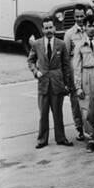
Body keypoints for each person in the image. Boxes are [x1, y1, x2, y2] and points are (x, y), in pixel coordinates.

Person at [27, 17, 74, 149]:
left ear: (54, 28)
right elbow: (30, 61)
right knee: (43, 114)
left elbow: (65, 66)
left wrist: (66, 83)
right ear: (42, 29)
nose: (48, 30)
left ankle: (61, 138)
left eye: (50, 28)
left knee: (58, 112)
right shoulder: (36, 44)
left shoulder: (61, 44)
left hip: (57, 83)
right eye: (46, 28)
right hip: (43, 83)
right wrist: (36, 71)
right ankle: (42, 139)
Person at [73, 15, 94, 153]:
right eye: (89, 26)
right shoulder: (80, 45)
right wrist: (78, 86)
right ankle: (91, 139)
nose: (92, 28)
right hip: (86, 76)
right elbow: (76, 67)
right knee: (87, 111)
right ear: (85, 27)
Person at [62, 5, 87, 141]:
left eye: (81, 16)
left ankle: (90, 127)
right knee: (75, 100)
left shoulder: (90, 30)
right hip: (74, 67)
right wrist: (67, 78)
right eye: (77, 16)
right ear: (74, 17)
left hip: (88, 66)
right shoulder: (69, 34)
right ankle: (79, 128)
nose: (79, 19)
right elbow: (65, 57)